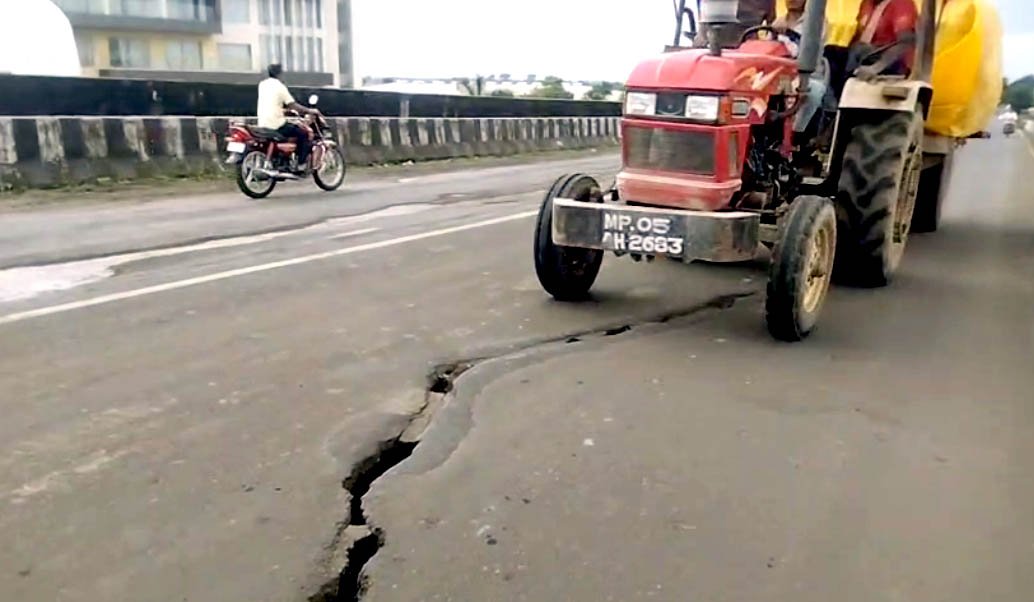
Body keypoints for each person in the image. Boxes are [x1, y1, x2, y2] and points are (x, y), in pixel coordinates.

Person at [773, 0, 829, 135]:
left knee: (813, 92)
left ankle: (797, 134)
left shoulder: (817, 22)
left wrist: (785, 34)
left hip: (806, 74)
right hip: (780, 74)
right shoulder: (777, 22)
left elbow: (807, 50)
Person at [257, 63, 321, 173]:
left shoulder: (262, 85)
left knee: (290, 133)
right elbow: (293, 104)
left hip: (262, 123)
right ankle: (301, 164)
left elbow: (271, 102)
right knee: (303, 133)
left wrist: (283, 111)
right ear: (280, 74)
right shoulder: (280, 86)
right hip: (276, 124)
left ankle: (285, 160)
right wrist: (310, 110)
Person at [851, 0, 918, 76]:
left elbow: (905, 43)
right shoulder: (867, 3)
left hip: (890, 62)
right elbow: (857, 36)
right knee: (837, 53)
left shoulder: (902, 3)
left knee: (859, 49)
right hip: (864, 56)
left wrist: (875, 68)